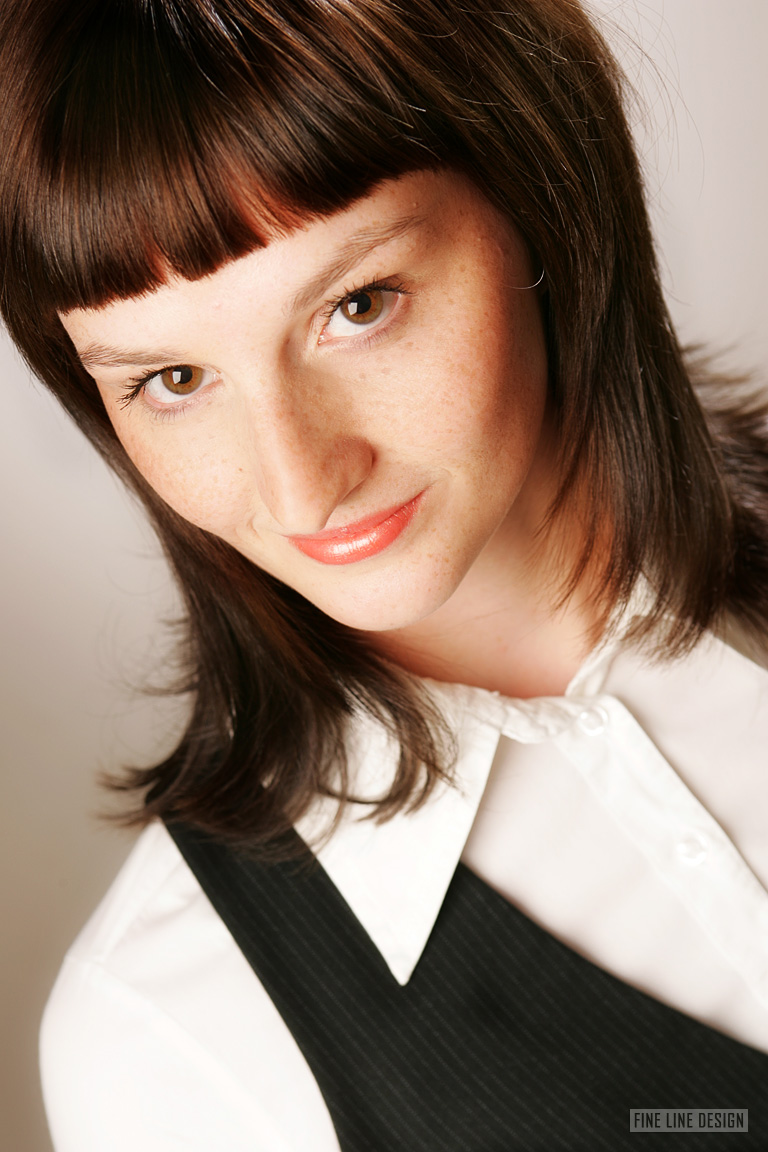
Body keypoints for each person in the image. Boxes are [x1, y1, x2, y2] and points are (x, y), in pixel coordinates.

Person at [1, 0, 767, 1148]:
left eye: (356, 307)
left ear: (541, 203)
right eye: (172, 380)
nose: (302, 484)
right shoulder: (173, 1034)